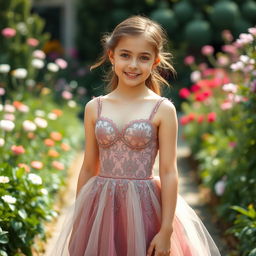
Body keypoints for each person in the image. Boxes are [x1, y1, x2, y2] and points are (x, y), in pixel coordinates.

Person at [50, 15, 221, 256]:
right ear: (112, 56)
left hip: (145, 208)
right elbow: (89, 167)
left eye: (143, 58)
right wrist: (80, 220)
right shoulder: (95, 107)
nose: (133, 65)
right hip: (101, 208)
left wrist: (166, 230)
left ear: (155, 61)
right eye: (125, 55)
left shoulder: (162, 109)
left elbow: (170, 171)